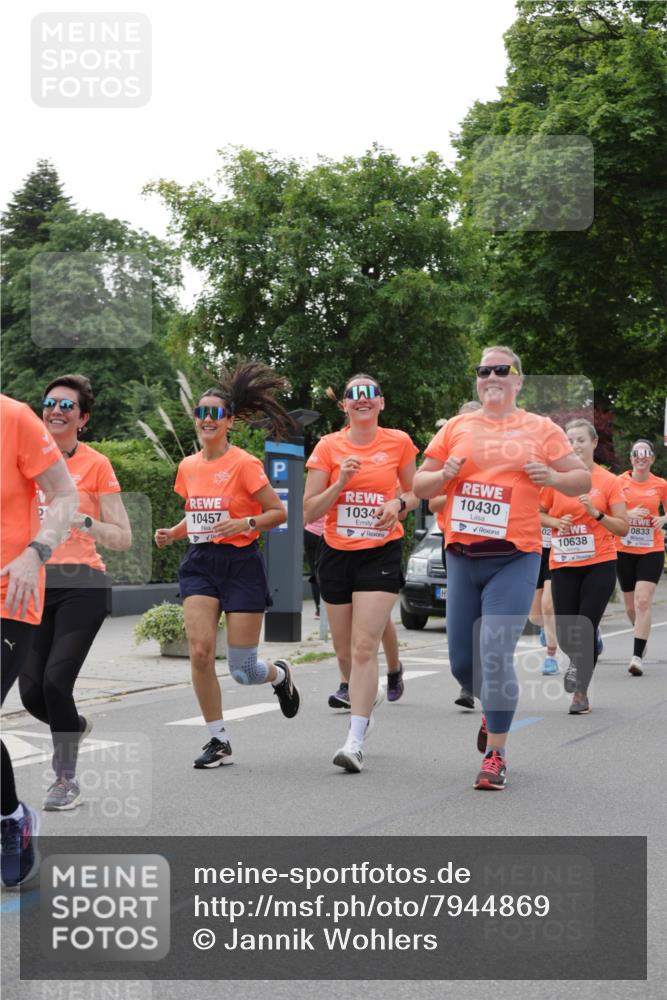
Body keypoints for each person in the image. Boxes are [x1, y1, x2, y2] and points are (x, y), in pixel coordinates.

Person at [414, 347, 589, 790]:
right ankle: (493, 713)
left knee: (494, 651)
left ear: (518, 380)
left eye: (501, 370)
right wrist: (443, 476)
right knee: (462, 664)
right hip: (461, 557)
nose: (491, 376)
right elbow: (420, 483)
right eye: (483, 370)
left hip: (515, 555)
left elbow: (581, 479)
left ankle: (496, 753)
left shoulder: (540, 429)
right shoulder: (458, 427)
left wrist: (552, 479)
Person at [154, 361, 300, 769]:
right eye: (200, 413)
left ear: (229, 422)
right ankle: (218, 740)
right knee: (200, 652)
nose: (206, 420)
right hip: (200, 563)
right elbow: (198, 514)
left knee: (243, 670)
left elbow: (277, 513)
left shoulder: (244, 464)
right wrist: (174, 532)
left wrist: (245, 522)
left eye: (214, 413)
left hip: (241, 563)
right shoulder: (188, 467)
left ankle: (280, 675)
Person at [19, 376, 131, 810]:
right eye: (49, 403)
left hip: (83, 584)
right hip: (33, 585)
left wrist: (83, 521)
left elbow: (122, 538)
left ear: (83, 418)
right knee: (31, 695)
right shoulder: (20, 462)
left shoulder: (97, 465)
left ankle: (66, 780)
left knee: (55, 681)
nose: (56, 410)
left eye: (67, 405)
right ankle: (74, 724)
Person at [304, 374, 419, 771]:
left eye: (370, 394)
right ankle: (364, 703)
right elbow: (309, 511)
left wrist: (398, 505)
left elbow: (416, 491)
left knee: (363, 646)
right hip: (336, 553)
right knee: (344, 654)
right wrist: (341, 482)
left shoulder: (399, 442)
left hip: (381, 552)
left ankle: (354, 741)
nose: (363, 400)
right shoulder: (328, 446)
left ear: (381, 403)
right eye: (355, 394)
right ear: (346, 406)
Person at [1, 394, 78, 886]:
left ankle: (11, 825)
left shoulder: (13, 417)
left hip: (10, 590)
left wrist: (36, 552)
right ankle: (11, 814)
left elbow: (64, 495)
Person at [540, 418, 628, 714]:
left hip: (599, 563)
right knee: (567, 633)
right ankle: (588, 650)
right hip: (563, 562)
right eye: (570, 440)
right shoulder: (556, 479)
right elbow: (536, 513)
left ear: (594, 443)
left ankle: (580, 692)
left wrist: (597, 515)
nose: (575, 445)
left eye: (580, 440)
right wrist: (555, 521)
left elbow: (623, 528)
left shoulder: (609, 482)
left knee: (584, 625)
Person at [429, 401, 483, 708]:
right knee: (464, 616)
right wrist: (451, 482)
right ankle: (466, 684)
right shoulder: (447, 459)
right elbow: (433, 503)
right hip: (455, 542)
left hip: (494, 546)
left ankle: (485, 676)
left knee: (488, 618)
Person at [615, 439, 667, 676]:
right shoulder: (618, 482)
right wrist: (628, 513)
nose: (641, 457)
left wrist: (664, 519)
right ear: (631, 458)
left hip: (651, 549)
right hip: (624, 549)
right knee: (630, 606)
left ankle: (637, 656)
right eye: (637, 453)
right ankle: (640, 636)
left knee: (643, 601)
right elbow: (606, 510)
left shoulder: (661, 485)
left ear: (653, 459)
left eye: (646, 454)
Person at [527, 507, 560, 675]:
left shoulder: (557, 486)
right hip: (533, 551)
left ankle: (551, 658)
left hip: (555, 550)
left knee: (548, 605)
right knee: (534, 617)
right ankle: (546, 627)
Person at [304, 515, 324, 618]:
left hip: (310, 532)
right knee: (330, 572)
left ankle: (319, 610)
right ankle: (327, 610)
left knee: (315, 573)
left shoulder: (310, 497)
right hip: (328, 535)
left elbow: (304, 515)